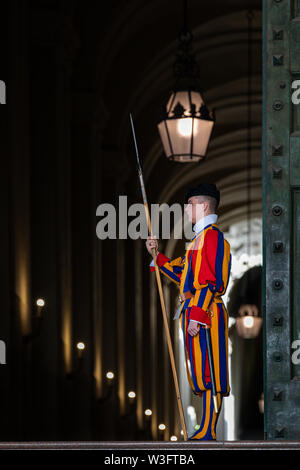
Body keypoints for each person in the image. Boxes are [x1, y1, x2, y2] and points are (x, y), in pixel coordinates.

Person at [146, 183, 232, 440]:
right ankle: (205, 427)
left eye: (190, 204)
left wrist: (197, 314)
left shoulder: (212, 237)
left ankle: (207, 429)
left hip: (207, 314)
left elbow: (209, 281)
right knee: (200, 372)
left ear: (204, 206)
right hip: (198, 313)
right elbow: (184, 274)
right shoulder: (198, 239)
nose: (186, 209)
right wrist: (158, 255)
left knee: (210, 372)